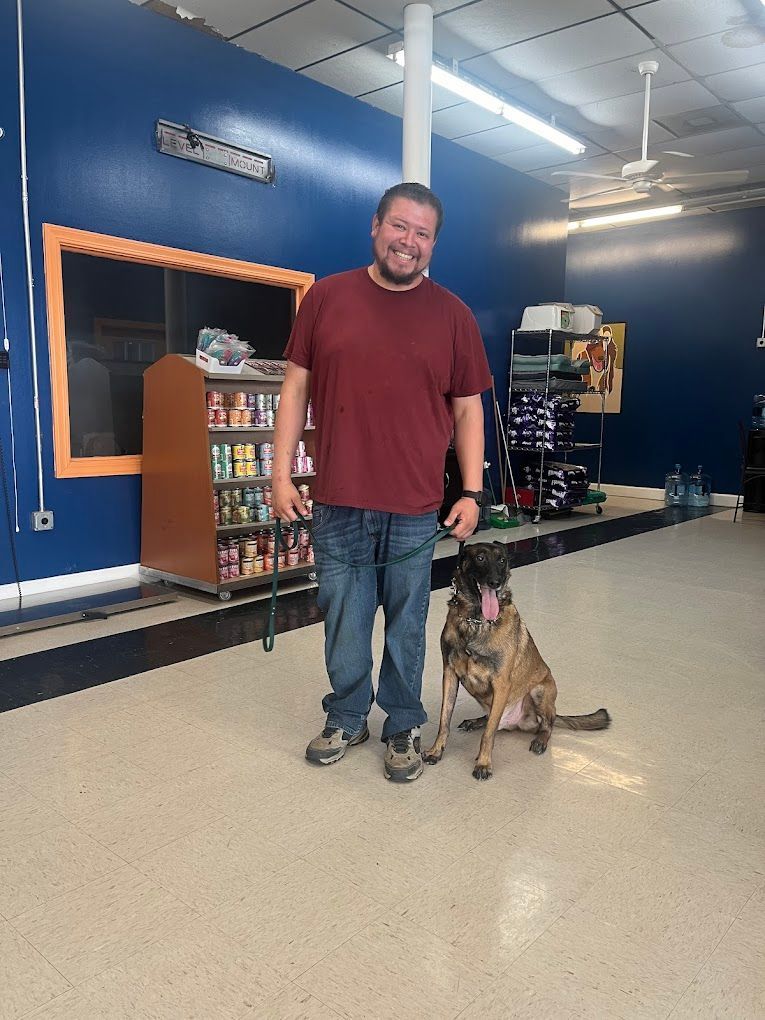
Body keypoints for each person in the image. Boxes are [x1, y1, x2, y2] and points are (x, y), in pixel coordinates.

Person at [273, 182, 492, 782]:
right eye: (400, 226)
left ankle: (401, 723)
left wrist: (470, 491)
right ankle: (346, 714)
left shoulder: (454, 316)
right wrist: (279, 471)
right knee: (343, 616)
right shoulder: (326, 299)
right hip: (338, 500)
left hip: (416, 506)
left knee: (407, 620)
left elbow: (467, 408)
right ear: (376, 226)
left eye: (423, 234)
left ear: (433, 244)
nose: (409, 242)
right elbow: (295, 387)